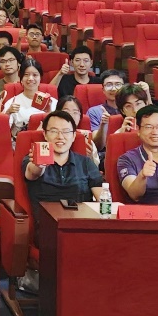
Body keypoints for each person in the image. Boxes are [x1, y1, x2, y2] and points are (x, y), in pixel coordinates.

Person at [19, 109, 103, 288]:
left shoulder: (86, 163)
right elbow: (33, 173)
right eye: (54, 131)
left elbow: (102, 198)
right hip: (49, 229)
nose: (60, 137)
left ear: (73, 136)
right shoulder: (31, 160)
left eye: (66, 132)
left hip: (82, 225)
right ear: (45, 134)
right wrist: (39, 164)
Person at [3, 62, 56, 136]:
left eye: (35, 75)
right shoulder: (11, 103)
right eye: (26, 75)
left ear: (40, 78)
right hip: (21, 141)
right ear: (21, 79)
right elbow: (3, 130)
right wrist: (8, 113)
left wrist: (50, 113)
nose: (30, 78)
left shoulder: (52, 102)